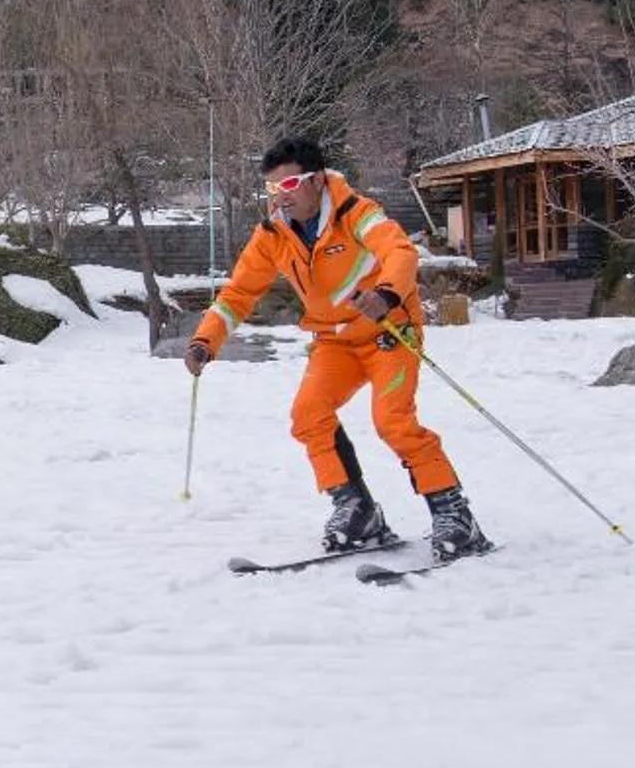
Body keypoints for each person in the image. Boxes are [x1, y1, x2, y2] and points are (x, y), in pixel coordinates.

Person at [185, 137, 492, 561]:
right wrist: (205, 340)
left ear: (316, 180)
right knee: (308, 415)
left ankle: (454, 514)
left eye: (289, 185)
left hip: (388, 332)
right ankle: (356, 509)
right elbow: (238, 293)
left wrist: (386, 294)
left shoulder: (356, 213)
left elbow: (399, 252)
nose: (280, 197)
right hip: (334, 342)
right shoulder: (273, 233)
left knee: (392, 421)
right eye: (272, 188)